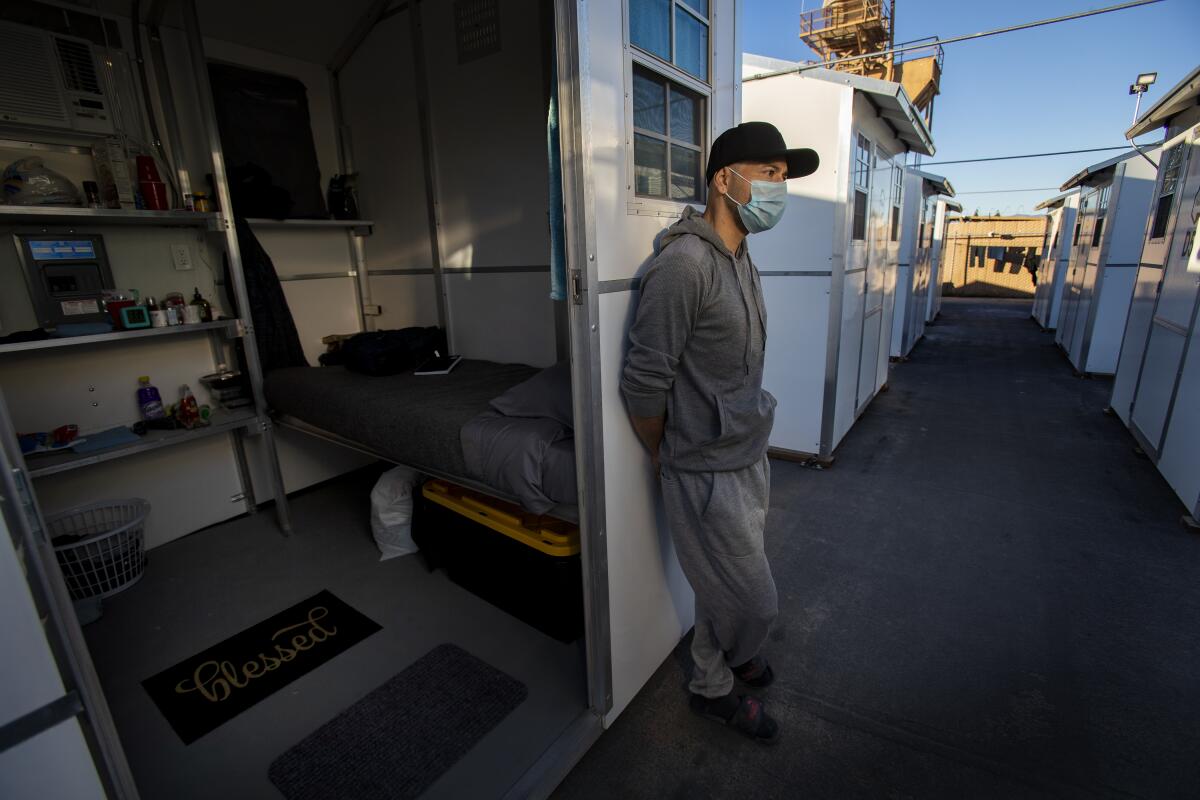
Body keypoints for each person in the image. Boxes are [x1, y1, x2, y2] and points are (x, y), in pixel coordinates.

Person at [620, 122, 818, 744]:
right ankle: (715, 688)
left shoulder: (739, 255)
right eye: (769, 172)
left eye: (783, 177)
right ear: (723, 179)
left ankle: (715, 669)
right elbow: (644, 382)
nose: (778, 187)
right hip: (703, 469)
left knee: (721, 587)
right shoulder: (683, 266)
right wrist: (666, 453)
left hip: (747, 454)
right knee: (755, 601)